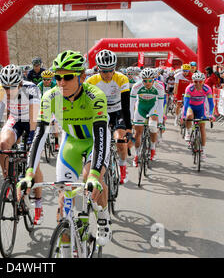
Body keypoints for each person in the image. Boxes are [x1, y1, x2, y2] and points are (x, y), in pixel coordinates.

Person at [17, 50, 112, 249]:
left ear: (82, 77)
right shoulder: (51, 97)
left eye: (68, 77)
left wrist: (95, 174)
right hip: (71, 142)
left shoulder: (95, 96)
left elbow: (100, 135)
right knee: (65, 197)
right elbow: (40, 136)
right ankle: (69, 243)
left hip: (94, 140)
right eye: (58, 77)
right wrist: (29, 174)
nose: (61, 82)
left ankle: (103, 216)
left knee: (89, 176)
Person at [0, 64, 45, 225]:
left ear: (20, 83)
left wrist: (30, 141)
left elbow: (34, 118)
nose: (8, 91)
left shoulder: (31, 88)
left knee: (33, 163)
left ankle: (38, 205)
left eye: (12, 87)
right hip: (15, 119)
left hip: (32, 120)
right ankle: (8, 180)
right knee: (3, 143)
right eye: (6, 87)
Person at [86, 49, 132, 185]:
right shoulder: (91, 81)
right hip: (101, 112)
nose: (107, 74)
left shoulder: (122, 78)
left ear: (115, 68)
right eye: (103, 71)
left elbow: (126, 105)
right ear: (98, 69)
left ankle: (123, 167)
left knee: (120, 141)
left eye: (110, 70)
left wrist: (129, 128)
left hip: (118, 111)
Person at [130, 68, 165, 166]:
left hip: (153, 106)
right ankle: (136, 155)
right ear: (142, 79)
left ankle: (153, 148)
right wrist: (131, 118)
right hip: (140, 107)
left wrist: (161, 122)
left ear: (154, 79)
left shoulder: (159, 87)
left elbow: (161, 105)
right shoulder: (136, 86)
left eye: (150, 80)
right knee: (137, 134)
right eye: (145, 80)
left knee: (153, 126)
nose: (147, 83)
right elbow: (132, 103)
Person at [182, 72, 214, 161]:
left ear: (203, 81)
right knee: (189, 116)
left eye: (200, 82)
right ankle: (188, 132)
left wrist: (211, 115)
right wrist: (184, 115)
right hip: (190, 107)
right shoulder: (189, 88)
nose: (198, 84)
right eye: (196, 82)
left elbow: (211, 103)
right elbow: (186, 103)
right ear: (193, 81)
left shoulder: (207, 89)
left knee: (202, 127)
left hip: (201, 108)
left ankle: (203, 151)